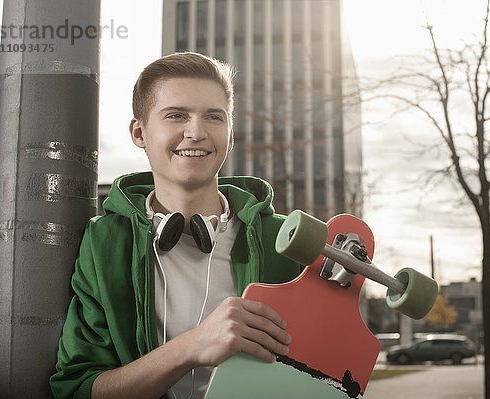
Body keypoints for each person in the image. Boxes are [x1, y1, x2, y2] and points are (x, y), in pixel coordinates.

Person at [50, 52, 302, 399]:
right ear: (140, 132)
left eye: (214, 117)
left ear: (229, 135)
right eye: (176, 115)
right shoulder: (104, 241)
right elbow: (77, 389)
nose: (196, 132)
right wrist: (190, 347)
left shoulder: (284, 239)